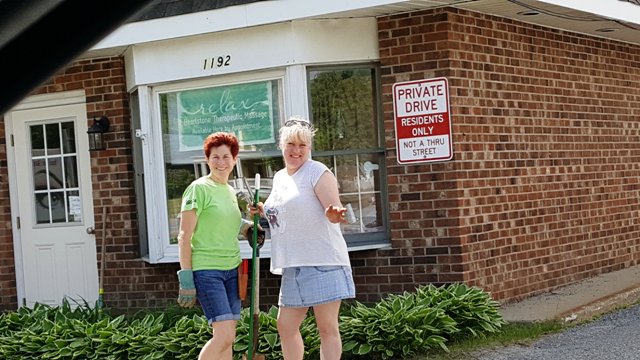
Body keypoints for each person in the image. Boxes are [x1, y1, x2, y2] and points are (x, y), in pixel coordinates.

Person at [251, 116, 356, 360]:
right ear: (281, 145)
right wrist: (262, 209)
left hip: (323, 261)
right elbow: (284, 213)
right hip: (293, 264)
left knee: (327, 327)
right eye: (291, 144)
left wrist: (332, 213)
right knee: (285, 326)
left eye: (302, 145)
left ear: (309, 148)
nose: (296, 151)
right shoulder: (280, 178)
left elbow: (334, 211)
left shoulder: (317, 172)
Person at [176, 131, 253, 360]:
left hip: (232, 269)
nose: (221, 162)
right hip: (208, 270)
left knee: (227, 340)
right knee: (224, 335)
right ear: (207, 160)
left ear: (234, 160)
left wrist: (249, 227)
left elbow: (227, 221)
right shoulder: (198, 189)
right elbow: (184, 234)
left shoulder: (230, 191)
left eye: (226, 157)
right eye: (215, 157)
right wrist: (186, 278)